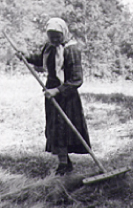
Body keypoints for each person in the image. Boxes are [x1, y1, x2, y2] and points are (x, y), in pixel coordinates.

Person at [21, 17, 91, 175]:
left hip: (67, 96)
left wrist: (58, 90)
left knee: (65, 130)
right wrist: (26, 57)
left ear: (64, 33)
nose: (54, 39)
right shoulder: (49, 46)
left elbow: (76, 80)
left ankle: (65, 165)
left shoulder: (71, 50)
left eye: (57, 36)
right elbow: (41, 61)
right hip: (51, 94)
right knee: (55, 130)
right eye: (51, 36)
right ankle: (63, 164)